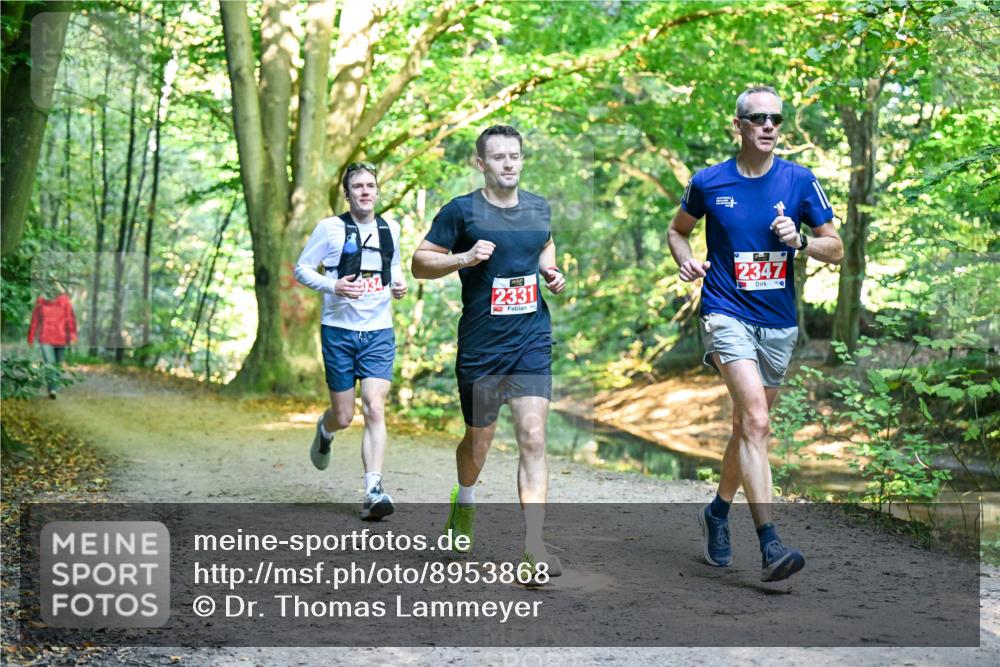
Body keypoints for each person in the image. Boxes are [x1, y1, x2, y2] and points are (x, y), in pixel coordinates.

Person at [667, 86, 844, 582]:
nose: (769, 126)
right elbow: (676, 229)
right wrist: (686, 261)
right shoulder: (709, 181)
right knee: (758, 420)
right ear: (739, 125)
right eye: (759, 119)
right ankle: (771, 544)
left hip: (779, 322)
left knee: (748, 428)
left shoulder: (799, 180)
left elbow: (837, 248)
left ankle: (716, 514)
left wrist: (803, 241)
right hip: (725, 312)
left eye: (777, 120)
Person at [411, 125, 566, 575]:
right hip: (482, 348)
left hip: (531, 339)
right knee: (479, 444)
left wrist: (550, 271)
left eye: (514, 156)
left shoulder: (538, 207)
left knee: (533, 438)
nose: (509, 163)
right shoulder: (462, 212)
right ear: (481, 164)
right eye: (498, 157)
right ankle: (466, 499)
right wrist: (463, 258)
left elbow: (546, 242)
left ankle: (534, 548)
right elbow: (421, 263)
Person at [294, 162, 407, 520]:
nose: (365, 192)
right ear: (347, 193)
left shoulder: (391, 228)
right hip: (339, 332)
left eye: (370, 185)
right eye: (357, 186)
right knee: (344, 416)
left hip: (378, 332)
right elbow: (302, 269)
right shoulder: (329, 229)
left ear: (377, 190)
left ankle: (373, 491)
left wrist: (400, 284)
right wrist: (334, 285)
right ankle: (325, 431)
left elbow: (395, 266)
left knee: (374, 406)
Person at [27, 283, 78, 399]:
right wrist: (31, 335)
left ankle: (54, 386)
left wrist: (73, 334)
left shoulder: (64, 301)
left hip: (61, 338)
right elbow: (35, 319)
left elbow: (70, 318)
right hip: (46, 338)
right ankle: (52, 389)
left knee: (57, 365)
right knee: (49, 363)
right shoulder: (40, 301)